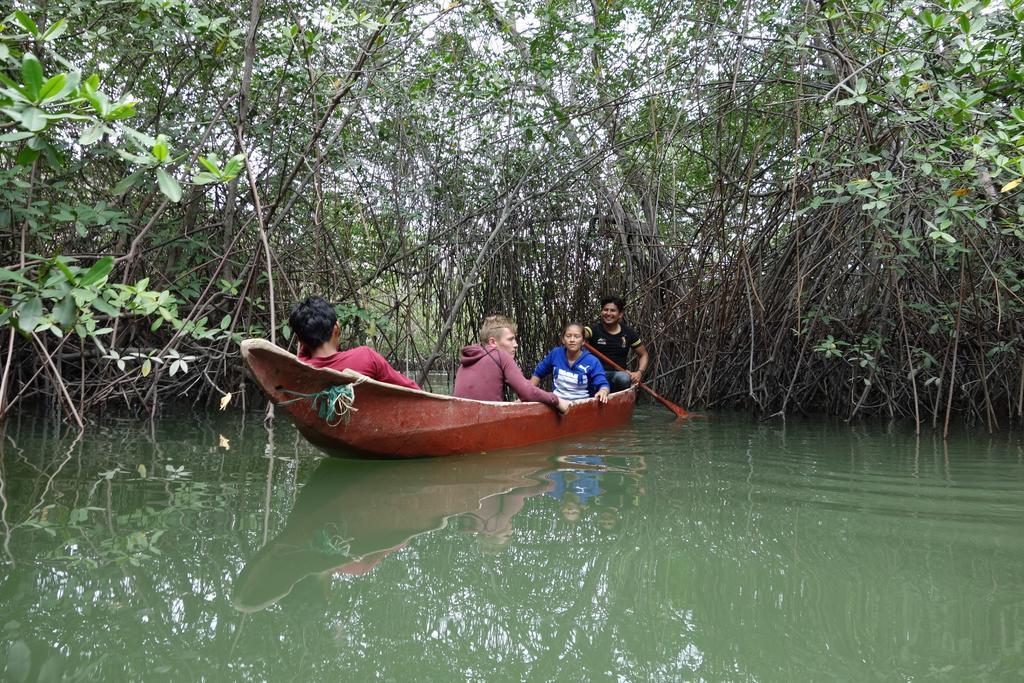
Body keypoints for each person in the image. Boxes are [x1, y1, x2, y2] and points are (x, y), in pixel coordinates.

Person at [288, 296, 421, 390]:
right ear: (336, 328)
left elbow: (303, 354)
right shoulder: (365, 356)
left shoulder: (300, 369)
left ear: (301, 341)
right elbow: (413, 390)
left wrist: (305, 338)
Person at [453, 315, 569, 414]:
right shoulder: (501, 356)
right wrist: (556, 400)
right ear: (493, 342)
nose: (516, 344)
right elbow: (528, 393)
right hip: (487, 419)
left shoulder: (466, 360)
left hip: (462, 414)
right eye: (510, 339)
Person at [530, 323, 610, 402]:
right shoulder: (556, 353)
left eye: (577, 336)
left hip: (583, 406)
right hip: (557, 404)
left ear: (583, 341)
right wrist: (527, 393)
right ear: (563, 339)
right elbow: (538, 373)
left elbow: (603, 384)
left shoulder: (592, 361)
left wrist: (603, 392)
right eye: (568, 336)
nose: (572, 340)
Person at [584, 296, 649, 392]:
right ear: (601, 312)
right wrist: (578, 335)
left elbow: (644, 354)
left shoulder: (628, 333)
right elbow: (582, 332)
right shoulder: (594, 330)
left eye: (612, 310)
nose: (608, 313)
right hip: (596, 374)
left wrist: (639, 372)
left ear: (620, 314)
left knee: (624, 378)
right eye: (605, 310)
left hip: (617, 375)